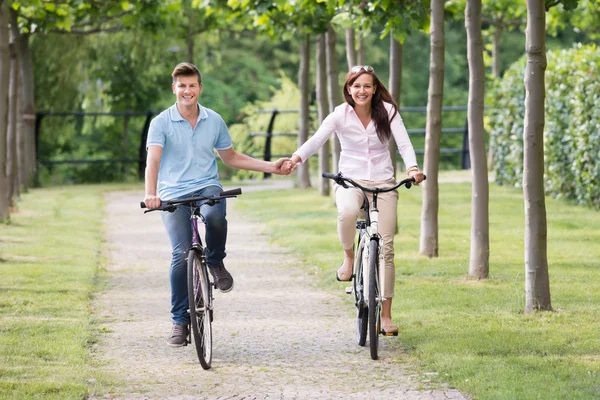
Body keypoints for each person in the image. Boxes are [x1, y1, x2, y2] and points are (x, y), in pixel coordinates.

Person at [144, 62, 290, 347]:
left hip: (207, 185)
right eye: (181, 85)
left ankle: (215, 261)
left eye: (192, 85)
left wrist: (271, 167)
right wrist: (152, 193)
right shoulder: (160, 122)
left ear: (200, 88)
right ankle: (179, 320)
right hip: (172, 192)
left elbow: (231, 157)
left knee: (216, 217)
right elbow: (154, 160)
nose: (187, 90)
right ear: (174, 88)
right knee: (180, 254)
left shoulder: (214, 120)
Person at [282, 65, 425, 334]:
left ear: (374, 89)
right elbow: (317, 139)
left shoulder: (388, 111)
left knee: (387, 248)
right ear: (348, 89)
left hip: (383, 182)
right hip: (350, 181)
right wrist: (296, 158)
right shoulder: (340, 114)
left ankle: (386, 316)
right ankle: (349, 258)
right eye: (356, 86)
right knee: (347, 212)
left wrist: (413, 168)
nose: (362, 91)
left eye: (367, 86)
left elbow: (404, 143)